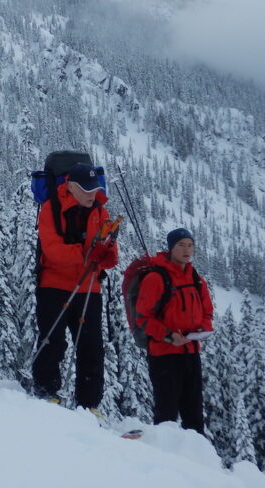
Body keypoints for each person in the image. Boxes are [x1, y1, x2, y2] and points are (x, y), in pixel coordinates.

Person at [31, 162, 118, 411]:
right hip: (54, 286)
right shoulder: (51, 208)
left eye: (94, 188)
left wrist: (106, 249)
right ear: (70, 186)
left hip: (89, 288)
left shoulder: (100, 211)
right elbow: (52, 250)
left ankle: (90, 404)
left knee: (92, 348)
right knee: (53, 342)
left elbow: (110, 259)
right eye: (86, 189)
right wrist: (86, 254)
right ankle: (46, 393)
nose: (92, 194)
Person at [135, 227, 214, 434]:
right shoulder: (156, 278)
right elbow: (143, 317)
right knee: (166, 412)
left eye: (190, 245)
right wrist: (169, 336)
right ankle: (164, 457)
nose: (187, 250)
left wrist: (203, 329)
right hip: (164, 355)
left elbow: (207, 312)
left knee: (194, 413)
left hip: (191, 353)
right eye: (181, 245)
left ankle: (197, 459)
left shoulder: (196, 278)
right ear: (171, 248)